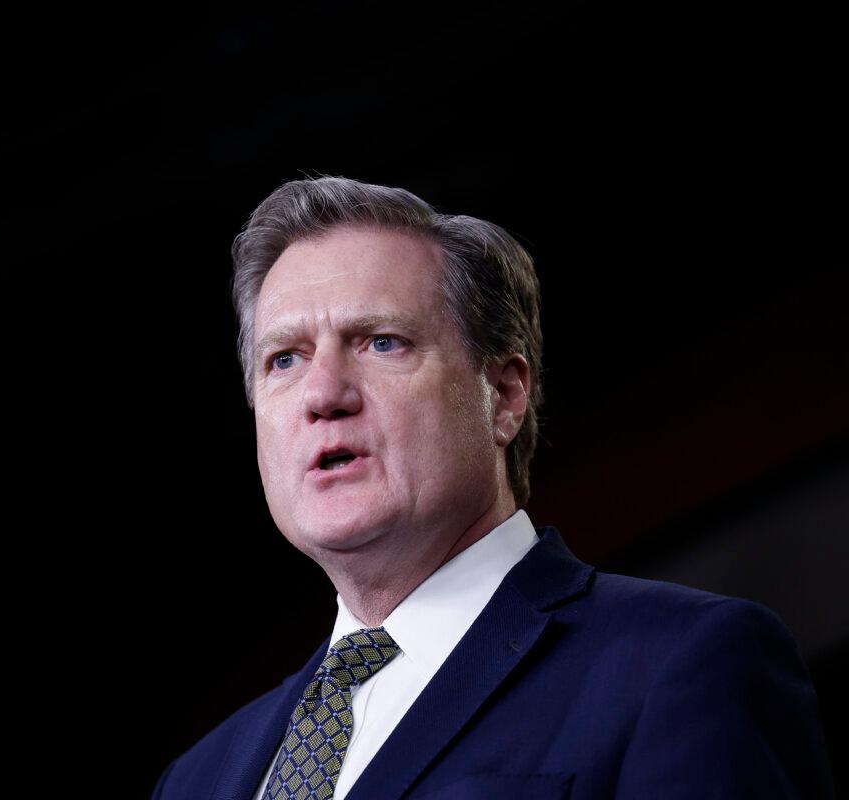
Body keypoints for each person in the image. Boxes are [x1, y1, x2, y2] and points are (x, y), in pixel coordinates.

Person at [151, 176, 835, 799]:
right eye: (285, 360)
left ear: (504, 395)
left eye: (381, 342)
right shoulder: (197, 780)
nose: (323, 394)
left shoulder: (681, 666)